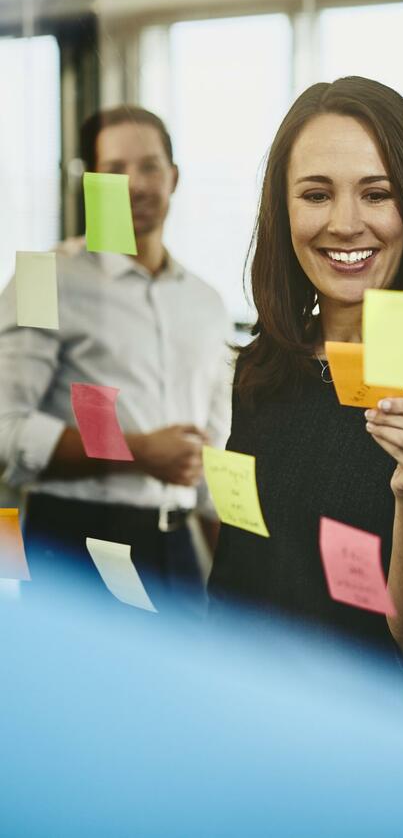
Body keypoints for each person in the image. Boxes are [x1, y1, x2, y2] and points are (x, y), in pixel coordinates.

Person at [206, 76, 403, 735]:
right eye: (316, 194)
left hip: (399, 742)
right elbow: (243, 572)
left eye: (376, 193)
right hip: (266, 729)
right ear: (282, 212)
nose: (345, 222)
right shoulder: (266, 366)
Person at [0, 105, 233, 615]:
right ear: (90, 182)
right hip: (75, 542)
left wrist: (236, 582)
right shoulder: (46, 277)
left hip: (178, 548)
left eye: (149, 166)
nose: (135, 184)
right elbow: (6, 430)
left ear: (174, 177)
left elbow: (212, 458)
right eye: (115, 169)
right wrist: (139, 452)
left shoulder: (206, 302)